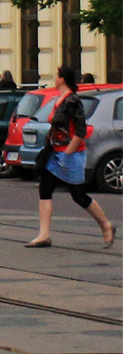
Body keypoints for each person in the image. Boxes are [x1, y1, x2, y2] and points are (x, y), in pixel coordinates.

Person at [25, 66, 115, 249]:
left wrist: (67, 153)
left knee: (78, 195)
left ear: (62, 79)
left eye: (57, 75)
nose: (55, 78)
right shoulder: (58, 100)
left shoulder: (73, 101)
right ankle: (44, 235)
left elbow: (80, 131)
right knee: (45, 188)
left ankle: (106, 226)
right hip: (55, 153)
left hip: (71, 154)